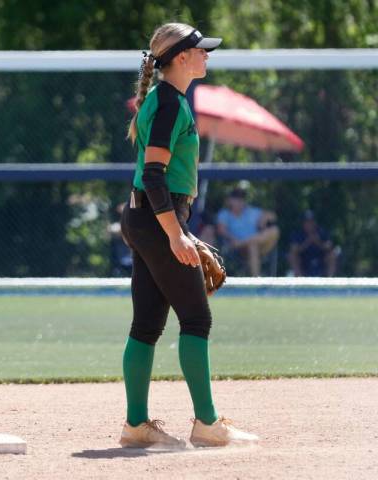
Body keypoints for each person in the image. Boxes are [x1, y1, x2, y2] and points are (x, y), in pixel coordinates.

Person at [119, 22, 258, 448]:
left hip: (145, 219)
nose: (206, 56)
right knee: (196, 318)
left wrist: (176, 230)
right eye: (201, 51)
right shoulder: (168, 104)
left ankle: (136, 426)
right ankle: (207, 424)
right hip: (158, 219)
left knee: (146, 324)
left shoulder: (166, 99)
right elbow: (155, 176)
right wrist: (177, 235)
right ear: (181, 58)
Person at [216, 187, 280, 276]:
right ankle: (256, 279)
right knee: (252, 245)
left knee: (274, 230)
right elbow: (221, 230)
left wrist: (264, 219)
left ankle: (243, 242)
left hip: (256, 245)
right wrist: (232, 238)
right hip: (238, 249)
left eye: (241, 199)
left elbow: (272, 215)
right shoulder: (224, 214)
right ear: (229, 200)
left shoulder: (252, 211)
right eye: (236, 199)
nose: (239, 202)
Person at [288, 210, 337, 276]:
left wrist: (318, 242)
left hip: (320, 259)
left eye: (311, 221)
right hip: (304, 260)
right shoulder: (297, 233)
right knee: (292, 256)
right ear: (303, 223)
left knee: (332, 254)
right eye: (307, 222)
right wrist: (307, 242)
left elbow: (329, 246)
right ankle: (300, 279)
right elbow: (294, 249)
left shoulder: (321, 232)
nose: (310, 224)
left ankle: (329, 279)